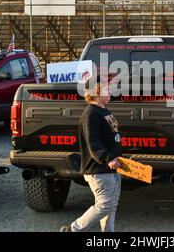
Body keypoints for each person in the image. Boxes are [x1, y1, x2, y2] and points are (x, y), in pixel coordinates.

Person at [60, 78, 122, 232]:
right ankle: (73, 229)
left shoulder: (104, 111)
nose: (110, 92)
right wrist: (108, 158)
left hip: (112, 168)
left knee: (111, 205)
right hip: (99, 170)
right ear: (96, 92)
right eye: (107, 89)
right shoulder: (91, 113)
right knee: (104, 205)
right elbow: (92, 142)